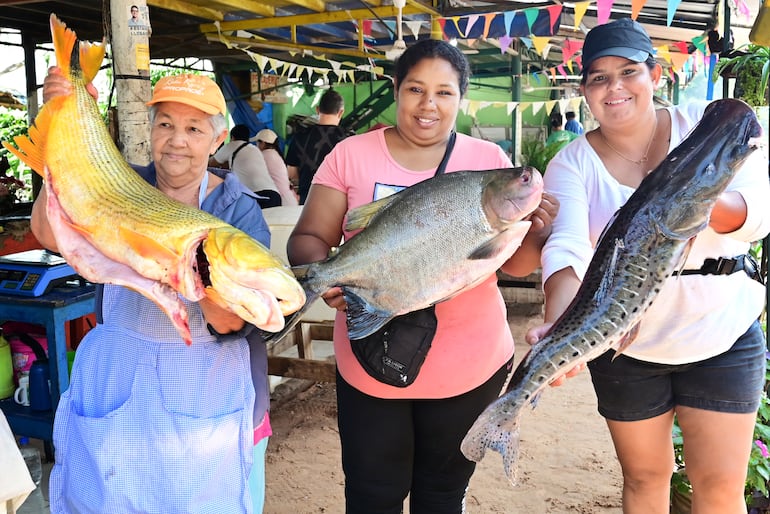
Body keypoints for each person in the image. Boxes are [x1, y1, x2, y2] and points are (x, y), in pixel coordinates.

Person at [286, 38, 559, 513]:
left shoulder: (490, 162)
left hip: (471, 364)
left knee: (442, 497)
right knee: (373, 496)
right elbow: (308, 238)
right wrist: (326, 275)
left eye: (444, 93)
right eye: (415, 89)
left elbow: (513, 266)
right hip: (372, 363)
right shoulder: (351, 155)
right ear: (396, 89)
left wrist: (537, 232)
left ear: (461, 98)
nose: (428, 105)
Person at [529, 18, 770, 514]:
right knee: (643, 480)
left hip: (721, 327)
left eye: (628, 71)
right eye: (598, 77)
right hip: (625, 345)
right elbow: (567, 245)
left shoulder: (704, 130)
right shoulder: (572, 162)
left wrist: (700, 203)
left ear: (655, 75)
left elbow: (758, 211)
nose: (614, 87)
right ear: (584, 90)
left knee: (721, 488)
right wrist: (560, 319)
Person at [33, 71, 273, 513]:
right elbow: (49, 233)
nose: (177, 140)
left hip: (207, 383)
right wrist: (59, 124)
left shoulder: (237, 209)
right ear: (150, 130)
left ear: (216, 140)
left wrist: (177, 267)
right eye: (165, 124)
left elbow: (231, 320)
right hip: (119, 379)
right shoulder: (121, 186)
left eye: (194, 129)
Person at [285, 88, 347, 204]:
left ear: (317, 110)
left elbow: (291, 173)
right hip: (339, 203)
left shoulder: (299, 136)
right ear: (341, 112)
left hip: (308, 201)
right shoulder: (349, 140)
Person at [211, 124, 282, 208]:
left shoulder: (232, 145)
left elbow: (211, 163)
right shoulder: (255, 149)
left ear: (232, 137)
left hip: (256, 195)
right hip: (274, 194)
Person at [253, 128, 298, 206]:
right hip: (289, 198)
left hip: (282, 200)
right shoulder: (274, 153)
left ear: (263, 143)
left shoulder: (265, 155)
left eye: (257, 142)